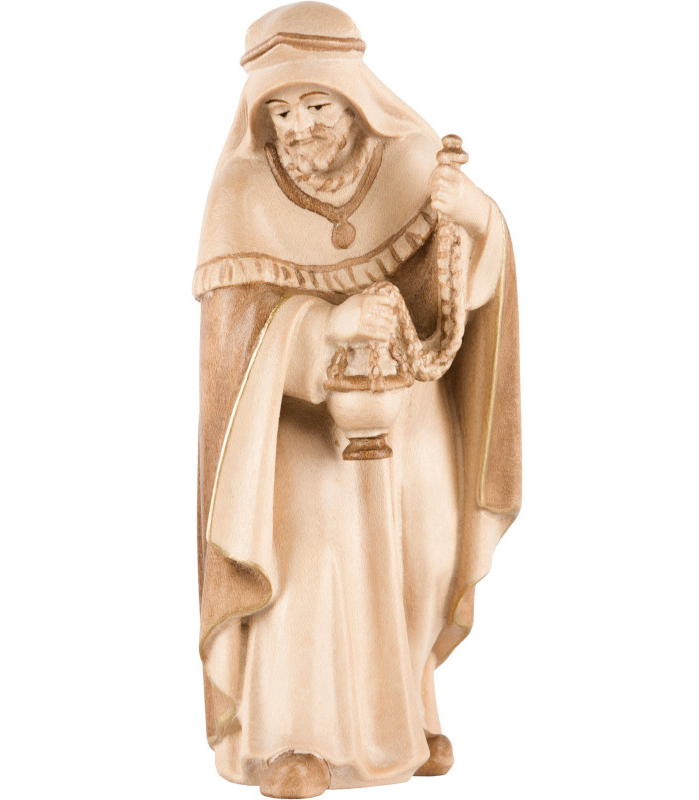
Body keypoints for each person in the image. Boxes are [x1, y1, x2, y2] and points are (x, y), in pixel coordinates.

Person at [194, 3, 521, 797]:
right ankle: (290, 740)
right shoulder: (242, 191)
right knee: (315, 567)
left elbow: (472, 277)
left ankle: (402, 719)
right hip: (295, 431)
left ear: (355, 100)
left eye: (316, 105)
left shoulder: (411, 160)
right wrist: (324, 327)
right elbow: (231, 347)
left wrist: (471, 214)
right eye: (279, 111)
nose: (298, 128)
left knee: (421, 552)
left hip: (410, 415)